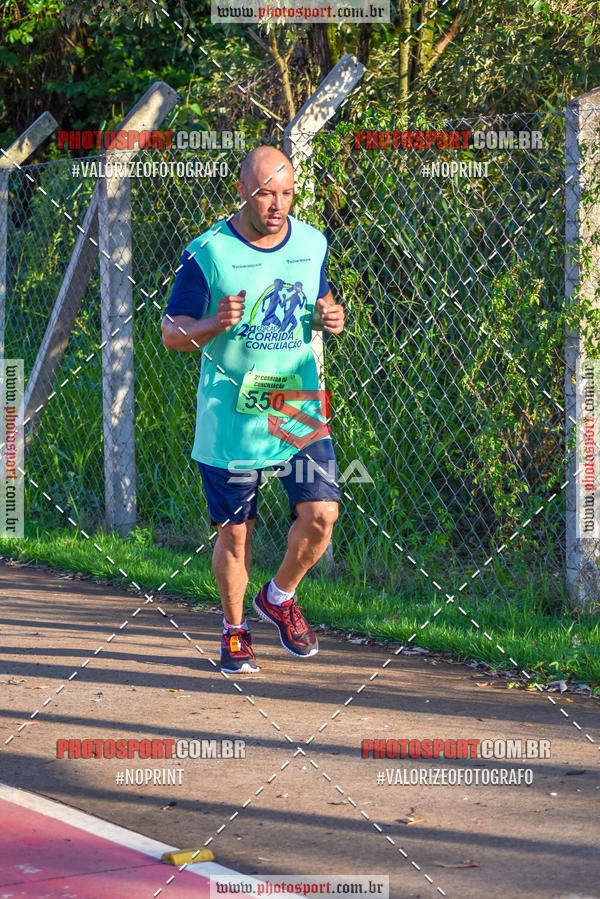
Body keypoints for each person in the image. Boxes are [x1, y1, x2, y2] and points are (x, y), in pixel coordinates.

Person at [161, 145, 345, 673]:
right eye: (268, 192)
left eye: (287, 193)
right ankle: (235, 629)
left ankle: (280, 597)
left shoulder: (313, 242)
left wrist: (329, 316)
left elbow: (320, 302)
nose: (278, 205)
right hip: (232, 412)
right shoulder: (208, 252)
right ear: (243, 189)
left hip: (294, 400)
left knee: (321, 514)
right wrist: (212, 325)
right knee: (236, 533)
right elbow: (171, 333)